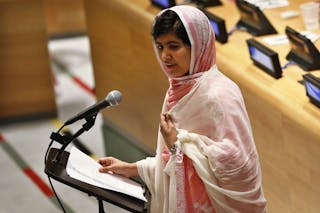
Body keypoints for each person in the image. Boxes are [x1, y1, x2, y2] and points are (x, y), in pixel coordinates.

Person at [98, 5, 267, 212]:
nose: (165, 56)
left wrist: (178, 144)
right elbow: (173, 164)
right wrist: (132, 169)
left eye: (174, 46)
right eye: (160, 47)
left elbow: (239, 167)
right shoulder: (178, 87)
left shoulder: (220, 94)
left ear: (197, 46)